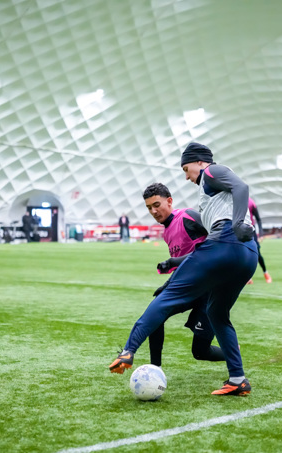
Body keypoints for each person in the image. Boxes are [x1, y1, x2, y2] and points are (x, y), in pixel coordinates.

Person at [109, 142, 258, 396]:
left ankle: (128, 351)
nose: (187, 177)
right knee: (217, 313)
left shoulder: (211, 172)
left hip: (224, 244)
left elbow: (242, 187)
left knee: (166, 297)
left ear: (199, 162)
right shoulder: (210, 191)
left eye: (186, 169)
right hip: (247, 255)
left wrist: (236, 224)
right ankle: (238, 379)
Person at [143, 182, 224, 367]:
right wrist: (167, 284)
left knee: (200, 351)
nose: (154, 211)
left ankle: (233, 353)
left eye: (157, 205)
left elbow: (218, 240)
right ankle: (155, 369)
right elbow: (186, 265)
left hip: (210, 290)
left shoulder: (188, 216)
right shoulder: (166, 232)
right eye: (149, 208)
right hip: (188, 287)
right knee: (155, 314)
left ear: (169, 201)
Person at [246, 197, 272, 284]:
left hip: (251, 230)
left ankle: (265, 273)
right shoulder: (235, 200)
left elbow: (258, 219)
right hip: (240, 230)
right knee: (243, 254)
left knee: (257, 254)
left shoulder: (251, 202)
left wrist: (261, 234)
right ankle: (247, 277)